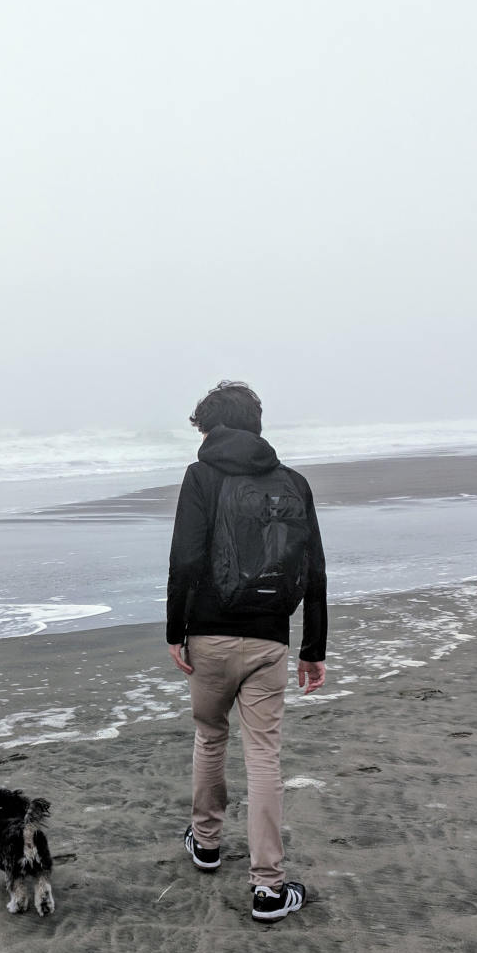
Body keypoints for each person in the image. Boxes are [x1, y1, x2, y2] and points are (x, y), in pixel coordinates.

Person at [166, 381, 327, 922]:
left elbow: (185, 559)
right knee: (264, 756)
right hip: (270, 639)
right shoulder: (293, 482)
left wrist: (175, 630)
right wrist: (313, 646)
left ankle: (207, 844)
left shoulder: (201, 476)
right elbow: (315, 570)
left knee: (211, 735)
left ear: (214, 428)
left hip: (208, 635)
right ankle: (268, 887)